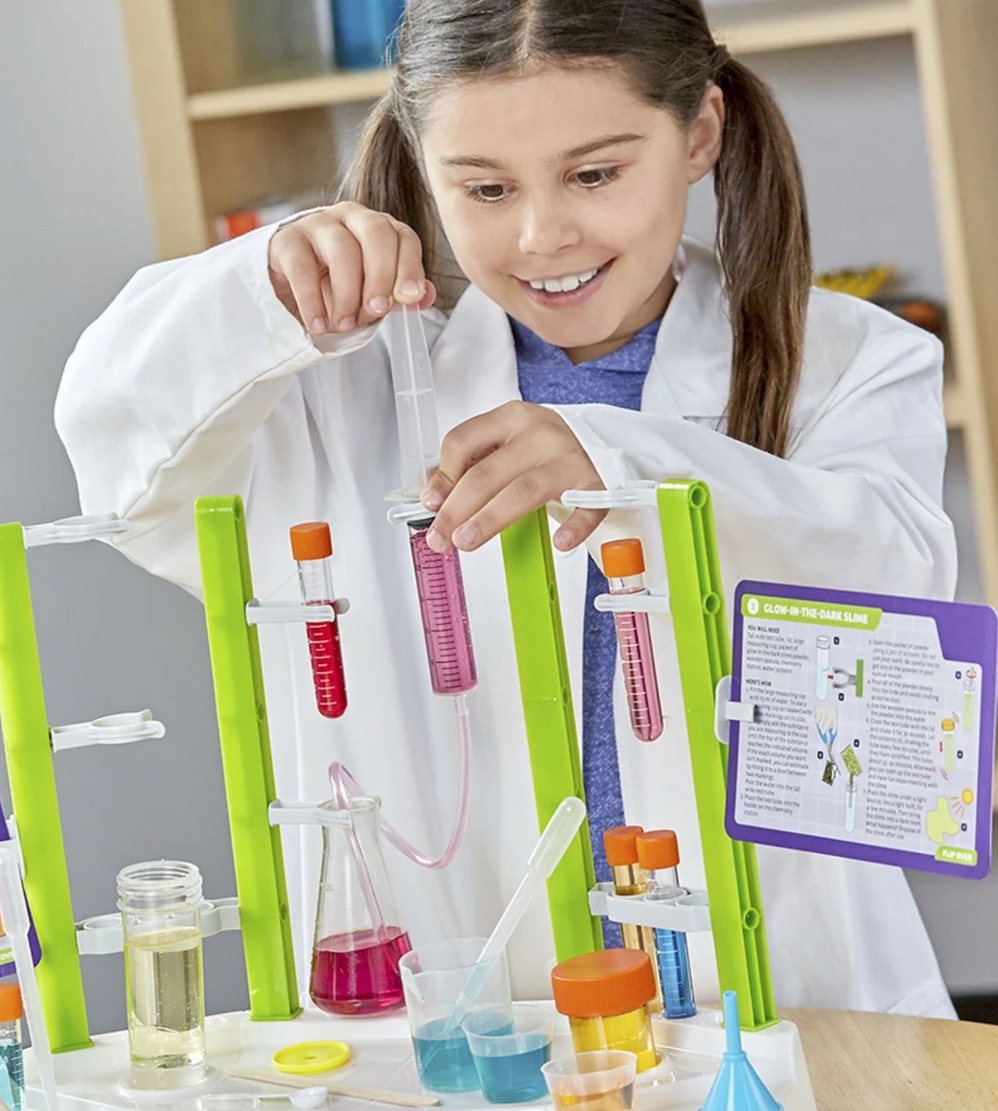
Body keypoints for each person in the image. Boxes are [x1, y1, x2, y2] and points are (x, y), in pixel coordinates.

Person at [56, 0, 955, 1016]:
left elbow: (896, 586)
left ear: (697, 133)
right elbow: (116, 445)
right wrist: (257, 287)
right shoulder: (347, 388)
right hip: (479, 1008)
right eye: (483, 187)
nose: (541, 236)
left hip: (784, 992)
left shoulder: (846, 359)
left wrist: (618, 457)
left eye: (594, 173)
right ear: (422, 162)